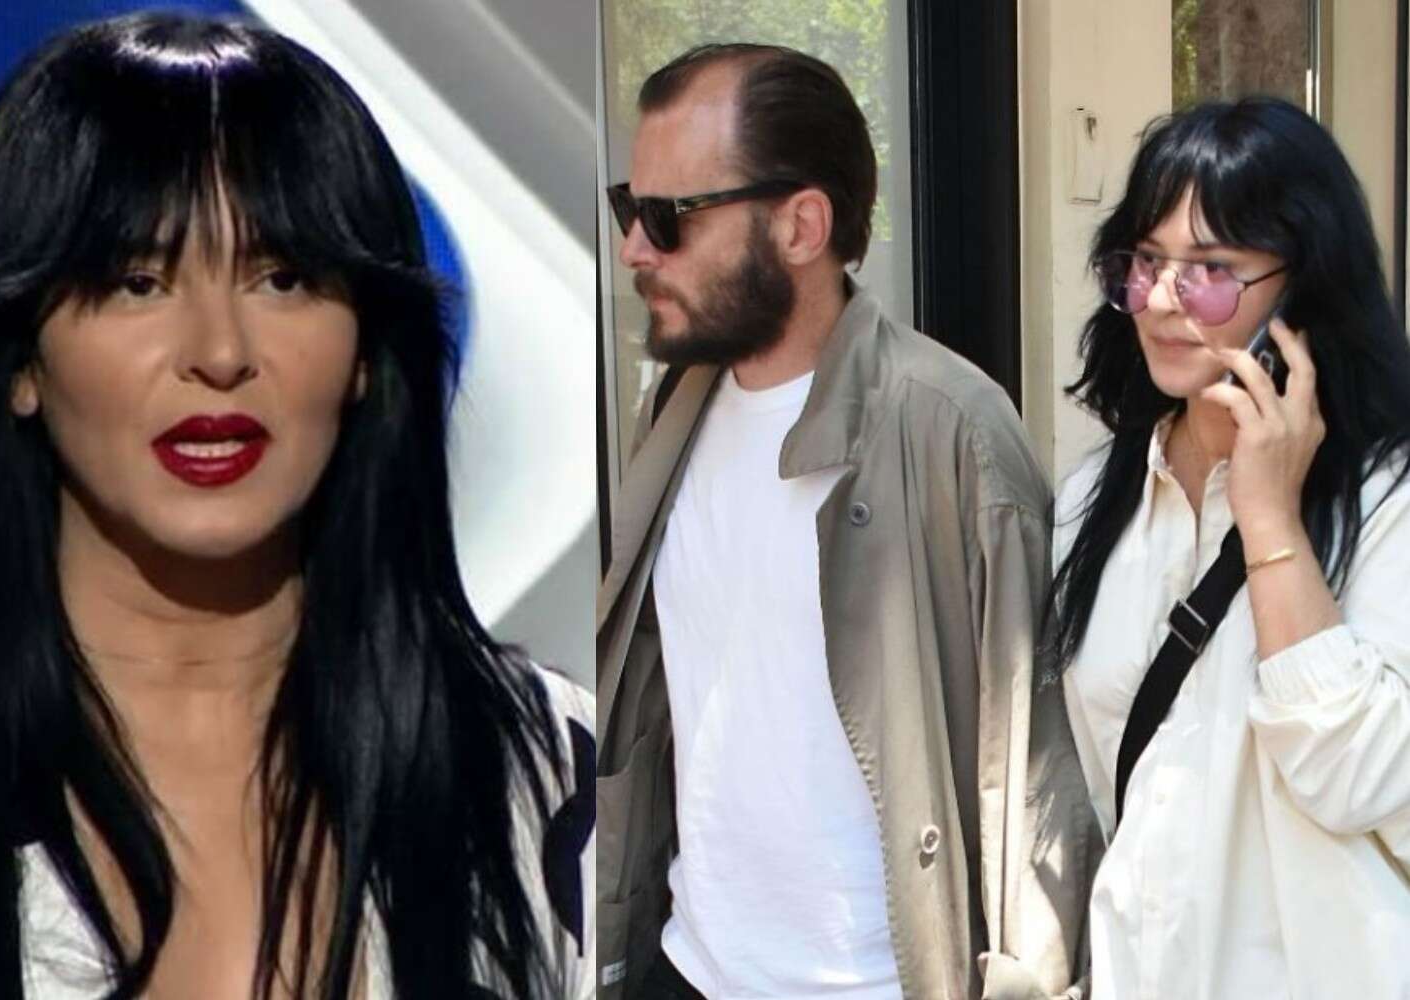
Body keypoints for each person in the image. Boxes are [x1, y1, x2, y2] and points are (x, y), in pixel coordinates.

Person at [0, 13, 594, 1000]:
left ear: (367, 356)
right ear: (20, 358)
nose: (219, 351)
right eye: (138, 281)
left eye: (282, 277)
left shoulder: (560, 781)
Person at [596, 43, 1098, 1000]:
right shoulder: (674, 410)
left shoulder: (949, 429)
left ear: (801, 225)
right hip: (688, 965)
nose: (634, 250)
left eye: (668, 218)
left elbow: (1031, 777)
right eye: (630, 208)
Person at [1051, 96, 1410, 997]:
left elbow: (1364, 781)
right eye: (1145, 263)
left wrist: (1271, 519)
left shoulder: (1388, 501)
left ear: (1303, 285)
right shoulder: (1094, 497)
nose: (1161, 301)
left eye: (1210, 269)